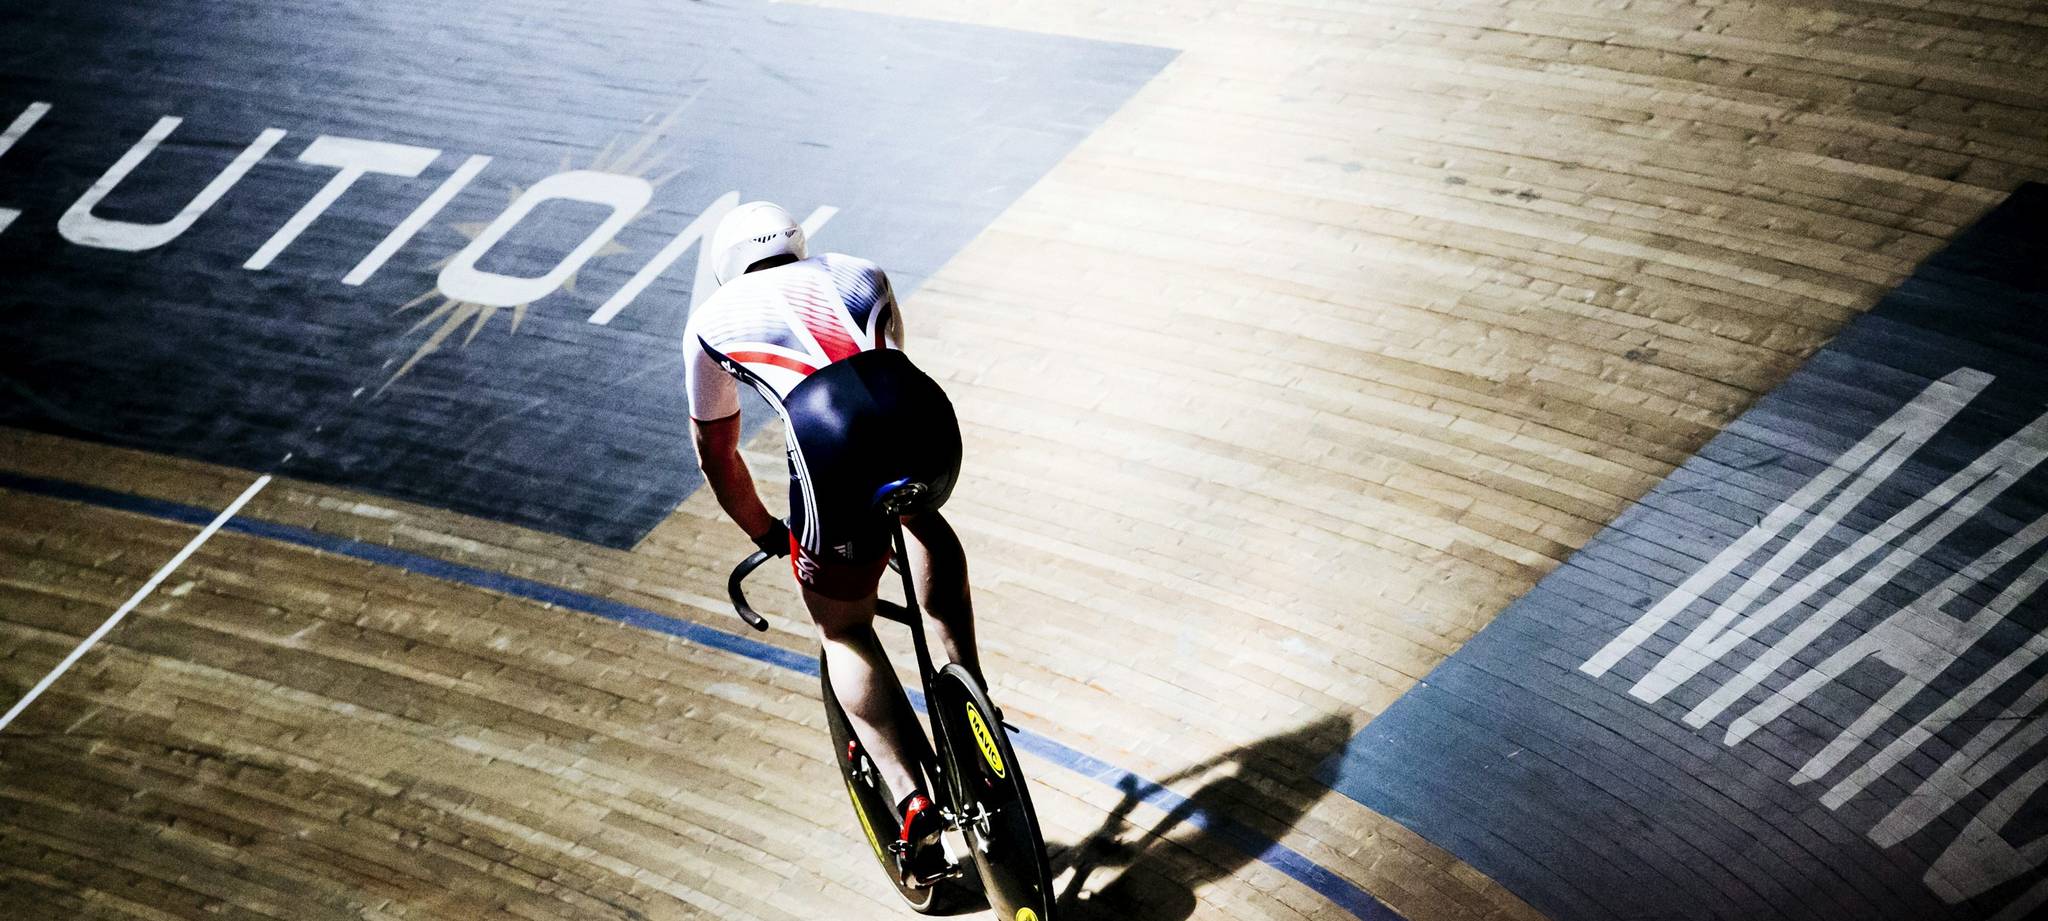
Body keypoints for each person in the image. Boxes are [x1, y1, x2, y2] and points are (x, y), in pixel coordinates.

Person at [682, 201, 980, 886]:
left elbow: (717, 456)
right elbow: (888, 361)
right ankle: (970, 693)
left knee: (842, 628)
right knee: (918, 511)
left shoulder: (710, 321)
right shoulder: (858, 270)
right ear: (798, 242)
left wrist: (768, 532)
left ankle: (913, 802)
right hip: (919, 412)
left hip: (829, 436)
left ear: (726, 269)